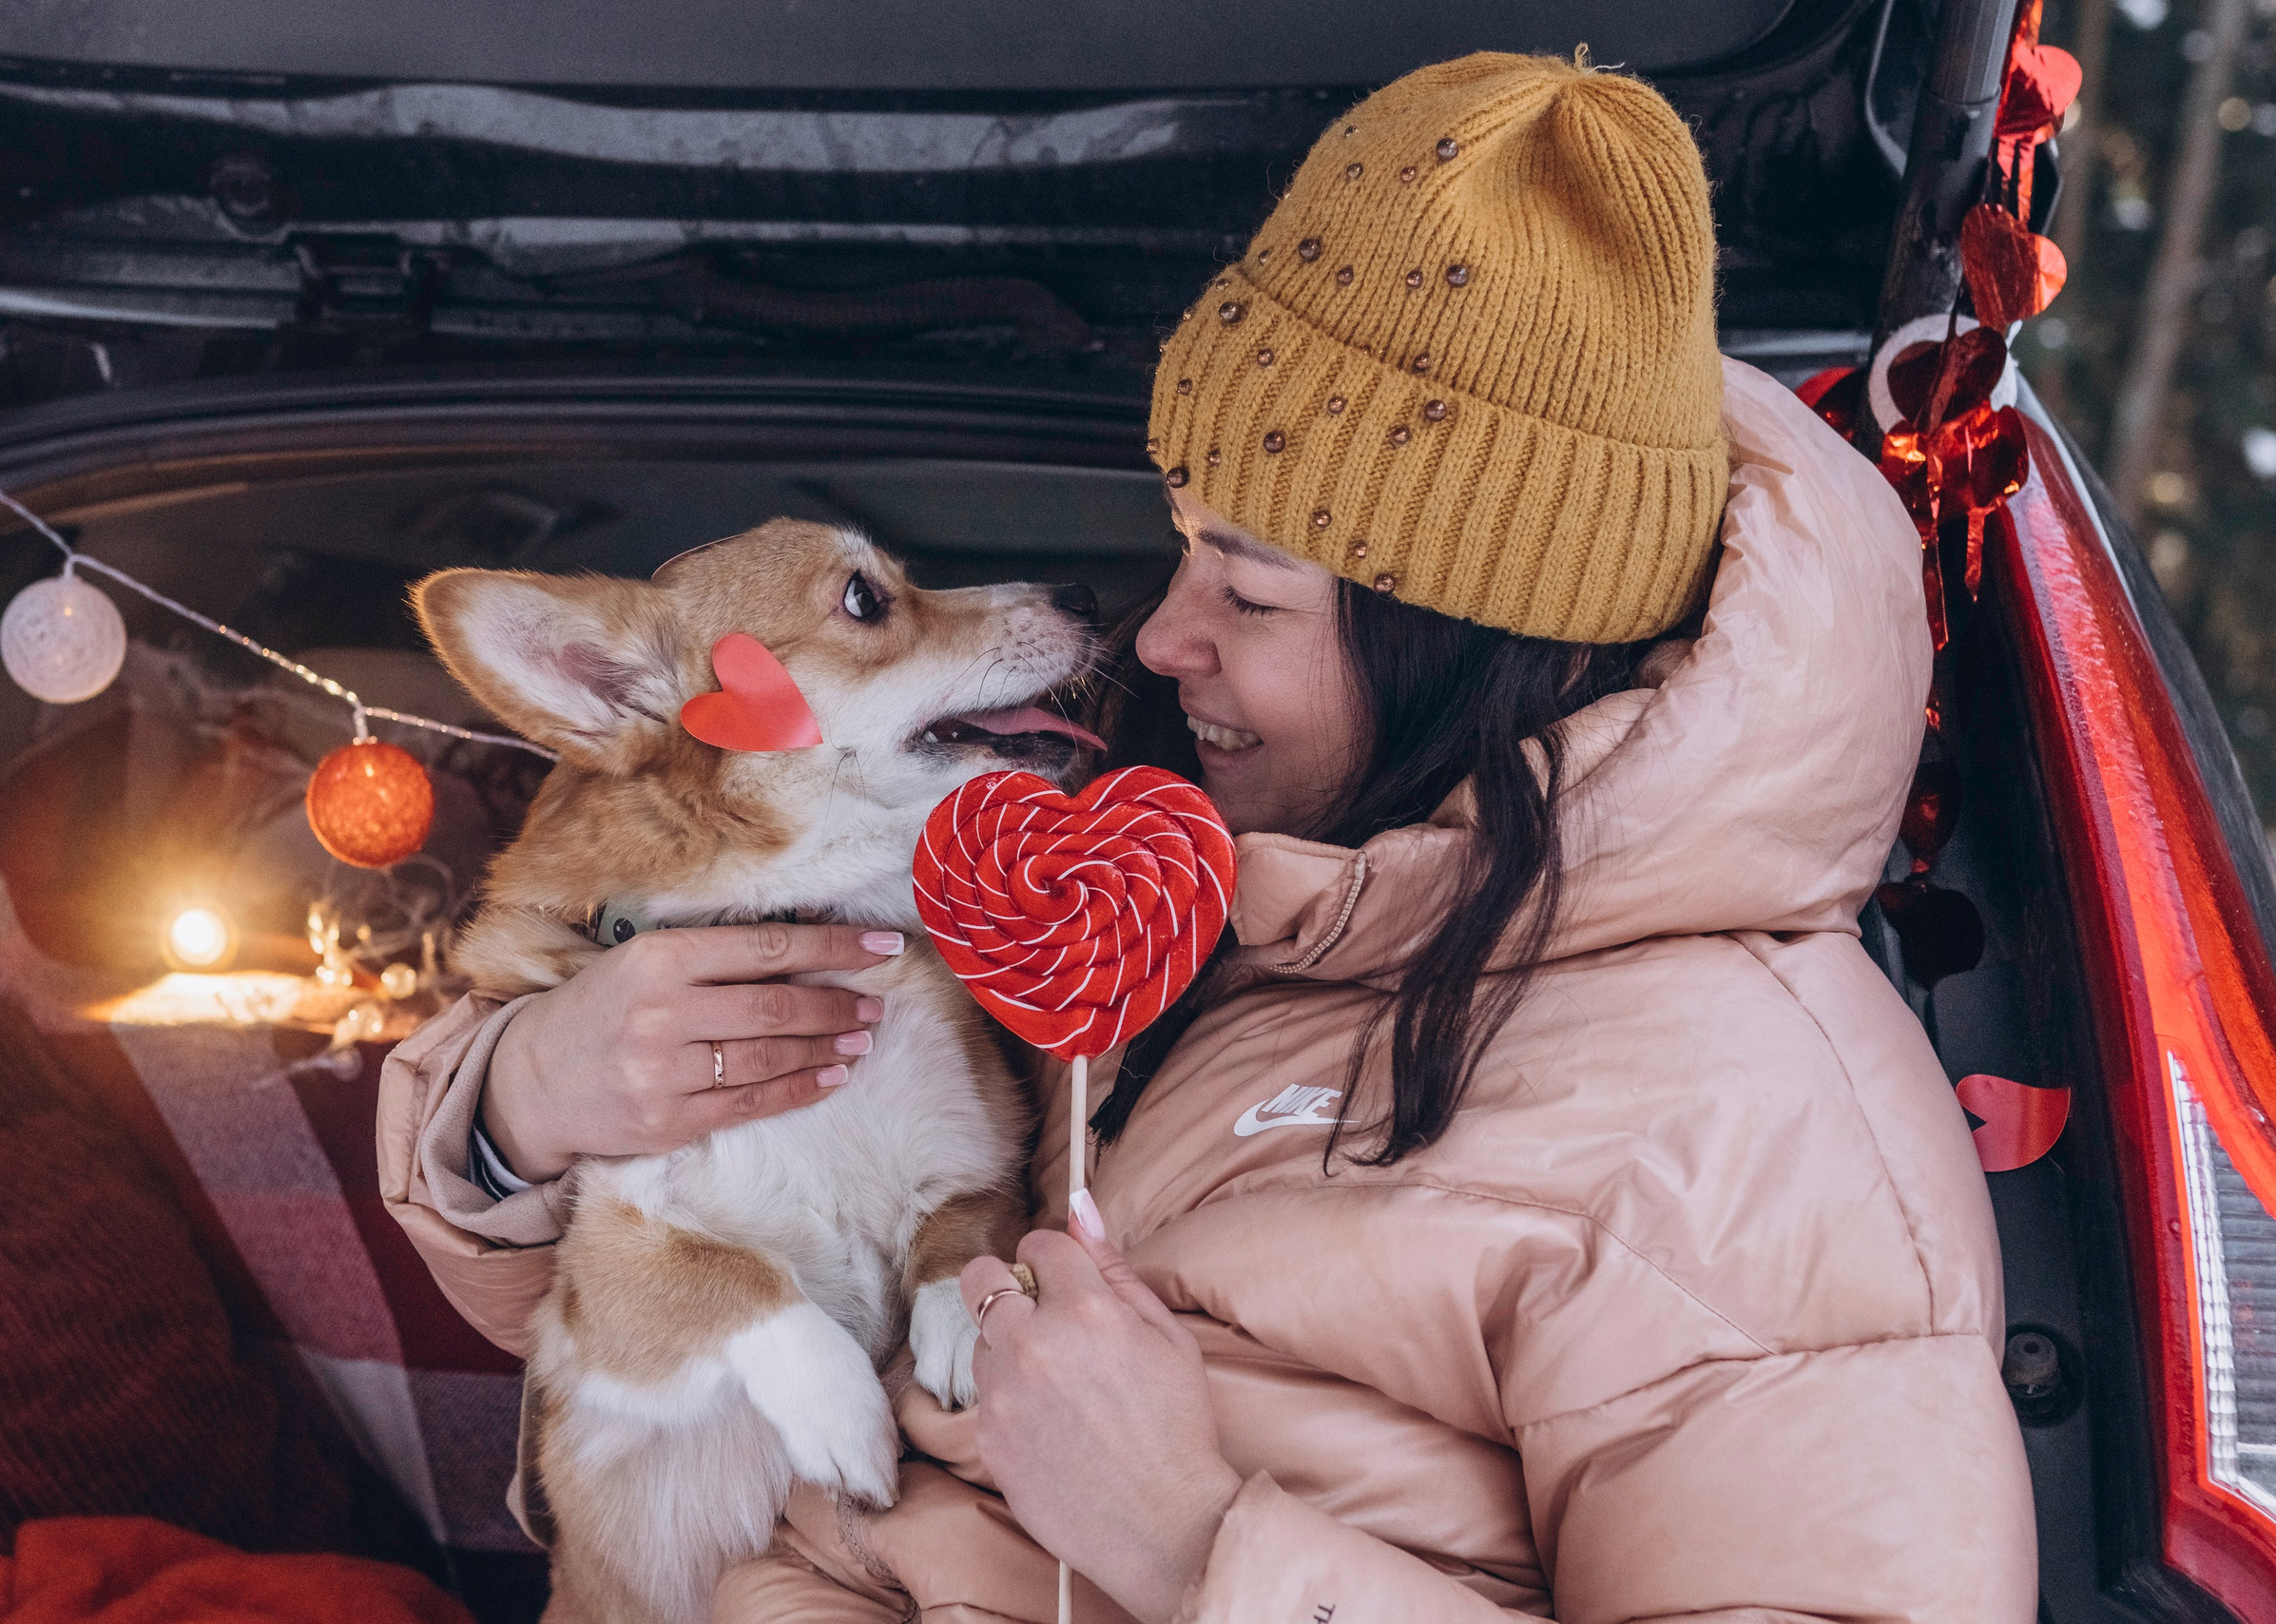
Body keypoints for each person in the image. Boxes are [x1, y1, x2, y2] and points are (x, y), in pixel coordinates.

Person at [378, 50, 2037, 1622]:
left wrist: (1193, 1545)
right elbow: (721, 1314)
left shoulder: (1756, 1123)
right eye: (1182, 552)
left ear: (1457, 631)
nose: (1162, 641)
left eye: (1244, 587)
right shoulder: (1214, 897)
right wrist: (522, 1109)